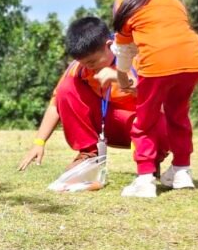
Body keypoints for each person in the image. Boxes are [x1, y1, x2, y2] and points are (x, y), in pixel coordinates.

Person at [109, 0, 198, 198]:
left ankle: (145, 179)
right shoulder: (175, 1)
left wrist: (122, 77)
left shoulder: (124, 3)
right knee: (178, 114)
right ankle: (182, 171)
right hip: (193, 60)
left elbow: (124, 49)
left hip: (156, 64)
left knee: (145, 120)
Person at [18, 16, 168, 174]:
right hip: (106, 126)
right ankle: (88, 155)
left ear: (109, 46)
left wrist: (119, 78)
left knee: (162, 114)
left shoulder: (137, 56)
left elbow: (161, 99)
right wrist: (39, 143)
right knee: (66, 87)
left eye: (92, 62)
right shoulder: (80, 68)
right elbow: (56, 105)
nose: (88, 68)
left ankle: (151, 161)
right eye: (83, 63)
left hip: (141, 127)